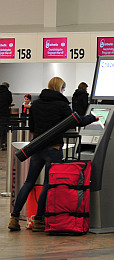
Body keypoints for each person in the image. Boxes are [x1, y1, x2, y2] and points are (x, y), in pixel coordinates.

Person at [8, 77, 98, 232]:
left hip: (36, 147)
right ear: (60, 88)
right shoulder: (62, 105)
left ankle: (14, 218)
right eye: (63, 89)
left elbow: (32, 127)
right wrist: (93, 117)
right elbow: (76, 121)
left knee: (29, 182)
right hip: (53, 149)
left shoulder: (36, 104)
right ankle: (38, 220)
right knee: (48, 185)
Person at [0, 82, 13, 151]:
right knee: (4, 129)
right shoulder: (8, 93)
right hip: (4, 114)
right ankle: (2, 145)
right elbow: (9, 101)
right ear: (7, 87)